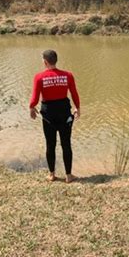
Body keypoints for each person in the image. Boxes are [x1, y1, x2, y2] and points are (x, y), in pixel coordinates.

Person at [29, 50, 80, 183]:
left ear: (45, 62)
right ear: (55, 60)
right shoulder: (68, 75)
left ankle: (52, 174)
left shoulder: (39, 77)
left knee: (50, 144)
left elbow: (34, 98)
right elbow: (74, 93)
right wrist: (77, 108)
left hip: (48, 114)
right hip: (64, 112)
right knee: (66, 144)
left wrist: (31, 107)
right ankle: (69, 175)